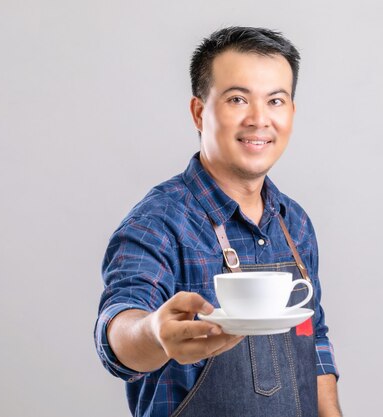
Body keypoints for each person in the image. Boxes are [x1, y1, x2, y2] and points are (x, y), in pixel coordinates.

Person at [94, 26, 341, 417]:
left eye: (276, 101)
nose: (259, 119)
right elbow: (120, 327)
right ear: (199, 112)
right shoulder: (159, 221)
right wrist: (155, 332)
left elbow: (316, 339)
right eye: (238, 99)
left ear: (291, 112)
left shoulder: (294, 222)